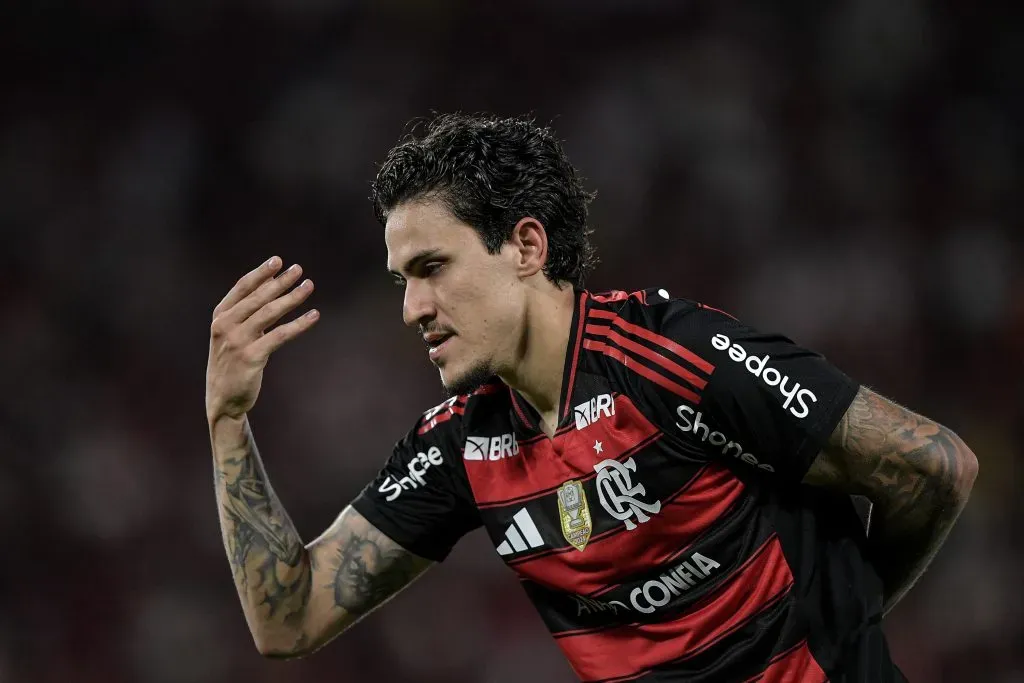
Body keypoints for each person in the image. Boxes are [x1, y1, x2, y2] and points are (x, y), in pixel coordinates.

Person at [206, 113, 978, 682]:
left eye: (432, 266)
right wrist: (228, 420)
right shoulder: (461, 447)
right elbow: (288, 618)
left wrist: (857, 612)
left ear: (527, 247)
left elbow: (934, 465)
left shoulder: (674, 357)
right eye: (401, 281)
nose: (412, 308)